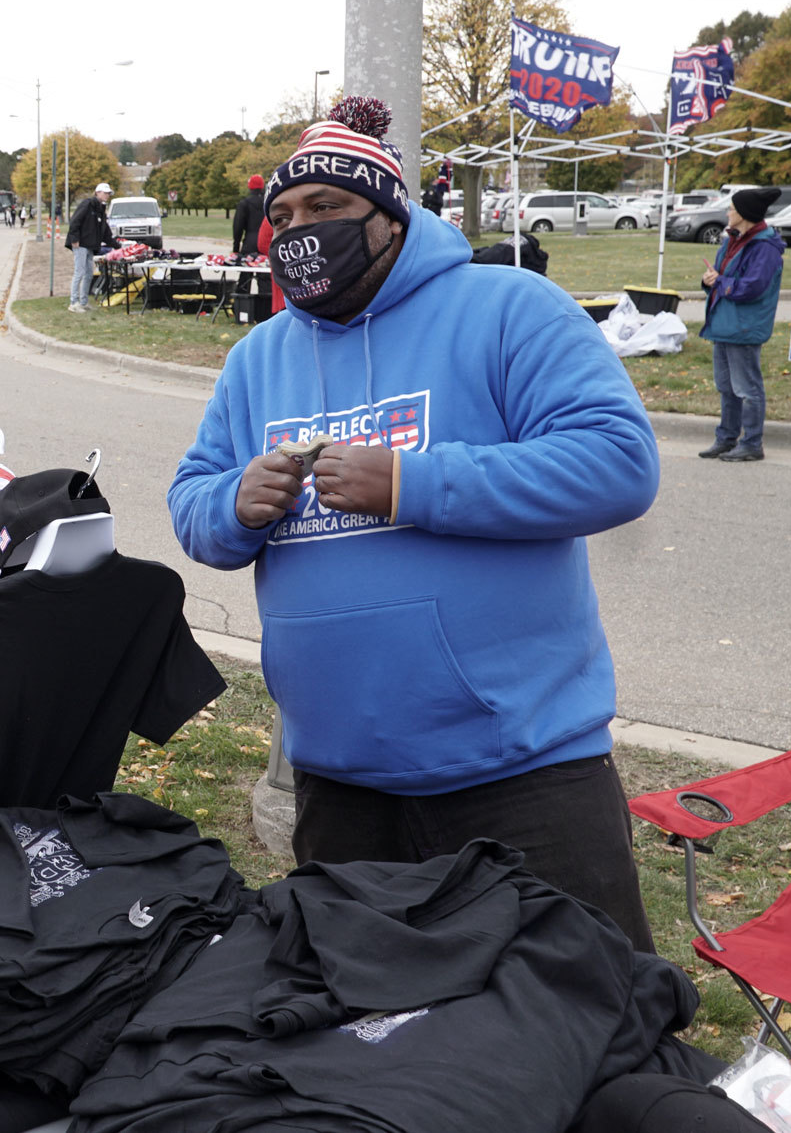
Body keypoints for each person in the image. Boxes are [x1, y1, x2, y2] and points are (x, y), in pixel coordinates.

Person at [166, 97, 661, 953]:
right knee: (368, 1043)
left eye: (325, 209)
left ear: (391, 217)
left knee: (594, 1026)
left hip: (524, 772)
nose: (298, 230)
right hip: (339, 780)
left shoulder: (510, 308)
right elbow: (194, 507)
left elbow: (617, 463)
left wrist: (412, 483)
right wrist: (232, 504)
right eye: (281, 215)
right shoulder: (259, 358)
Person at [698, 186, 785, 463]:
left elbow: (752, 288)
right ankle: (726, 438)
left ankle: (751, 442)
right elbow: (722, 276)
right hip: (724, 323)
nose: (728, 212)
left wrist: (720, 282)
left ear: (744, 214)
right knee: (726, 386)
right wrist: (709, 280)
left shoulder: (765, 247)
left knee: (747, 389)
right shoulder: (731, 240)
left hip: (745, 326)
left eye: (732, 209)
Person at [65, 182, 115, 313]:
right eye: (105, 193)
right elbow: (75, 221)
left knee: (88, 274)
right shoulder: (87, 204)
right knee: (79, 272)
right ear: (97, 192)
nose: (107, 195)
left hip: (90, 246)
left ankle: (83, 302)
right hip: (80, 244)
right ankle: (73, 303)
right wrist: (74, 239)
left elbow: (105, 232)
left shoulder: (101, 209)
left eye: (108, 193)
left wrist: (118, 246)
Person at [233, 173, 268, 257]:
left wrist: (236, 248)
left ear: (250, 186)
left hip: (249, 243)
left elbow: (238, 227)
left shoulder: (244, 203)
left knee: (246, 268)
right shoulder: (268, 203)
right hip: (266, 243)